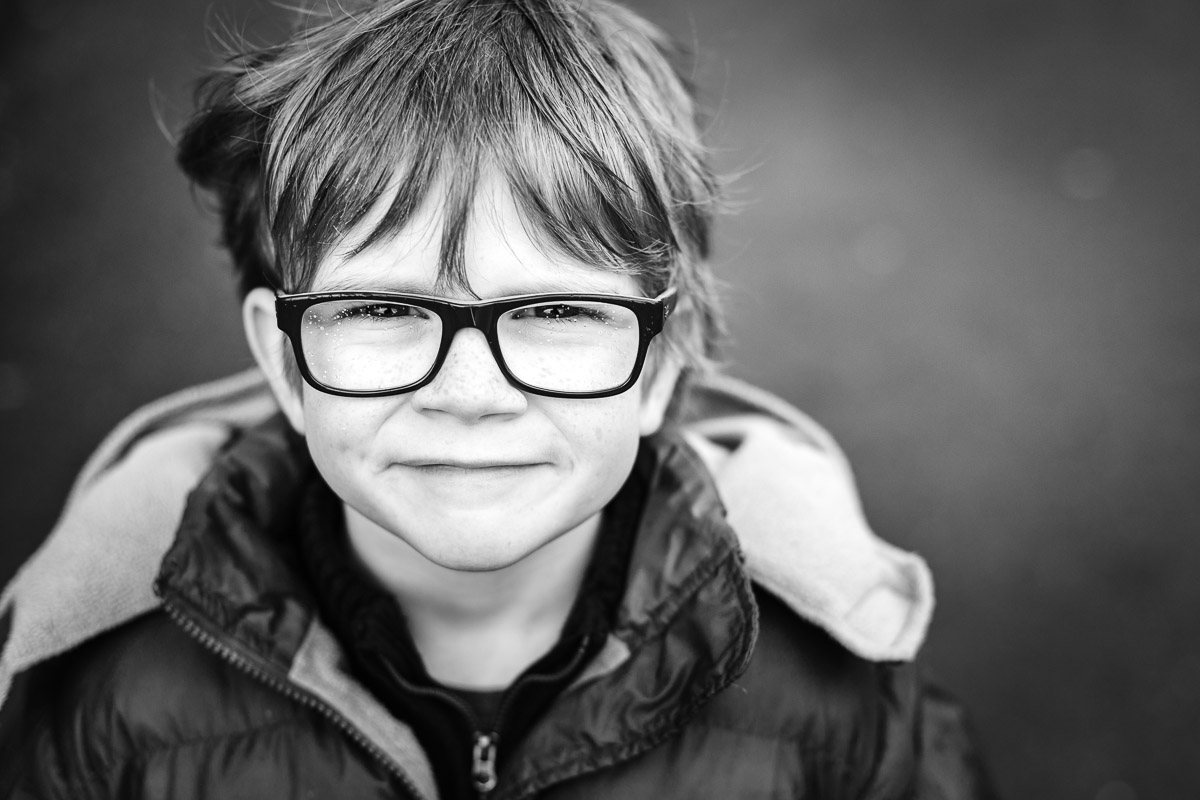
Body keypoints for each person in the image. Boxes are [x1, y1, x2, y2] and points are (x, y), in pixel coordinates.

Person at [0, 0, 995, 797]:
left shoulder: (845, 703)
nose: (468, 393)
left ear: (661, 360)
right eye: (387, 306)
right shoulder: (97, 706)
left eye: (556, 310)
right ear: (284, 357)